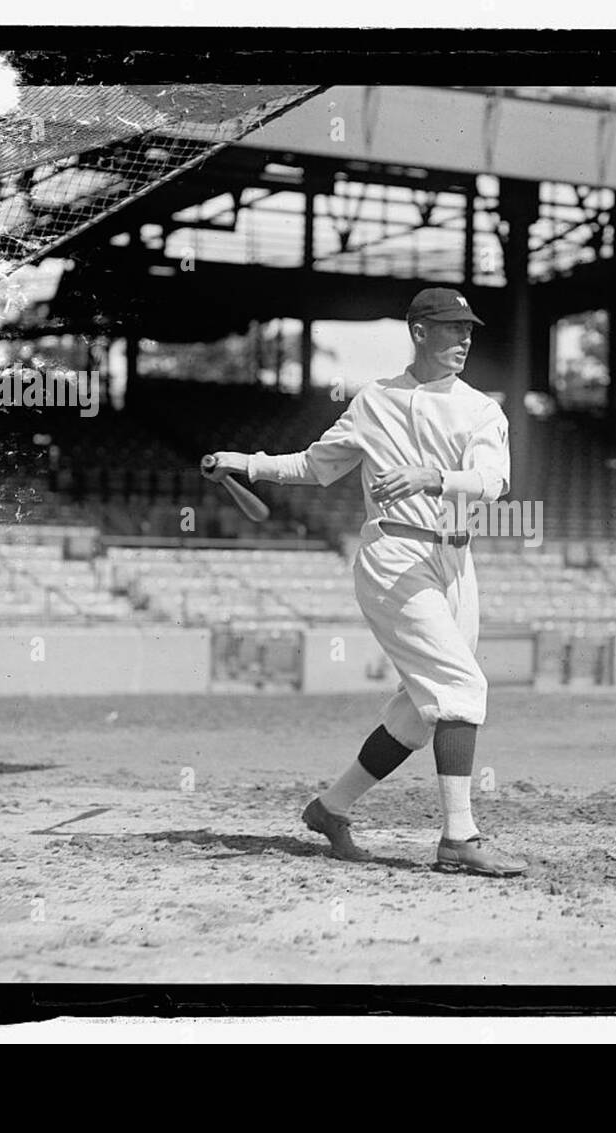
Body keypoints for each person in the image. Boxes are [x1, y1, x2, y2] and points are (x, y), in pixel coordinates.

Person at [201, 288, 527, 877]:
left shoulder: (482, 408)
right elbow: (313, 465)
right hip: (394, 551)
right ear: (418, 331)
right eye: (451, 327)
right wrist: (245, 462)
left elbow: (493, 481)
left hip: (456, 559)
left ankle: (331, 808)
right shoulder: (373, 400)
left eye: (469, 329)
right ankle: (459, 838)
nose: (465, 338)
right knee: (460, 689)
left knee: (420, 711)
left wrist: (433, 476)